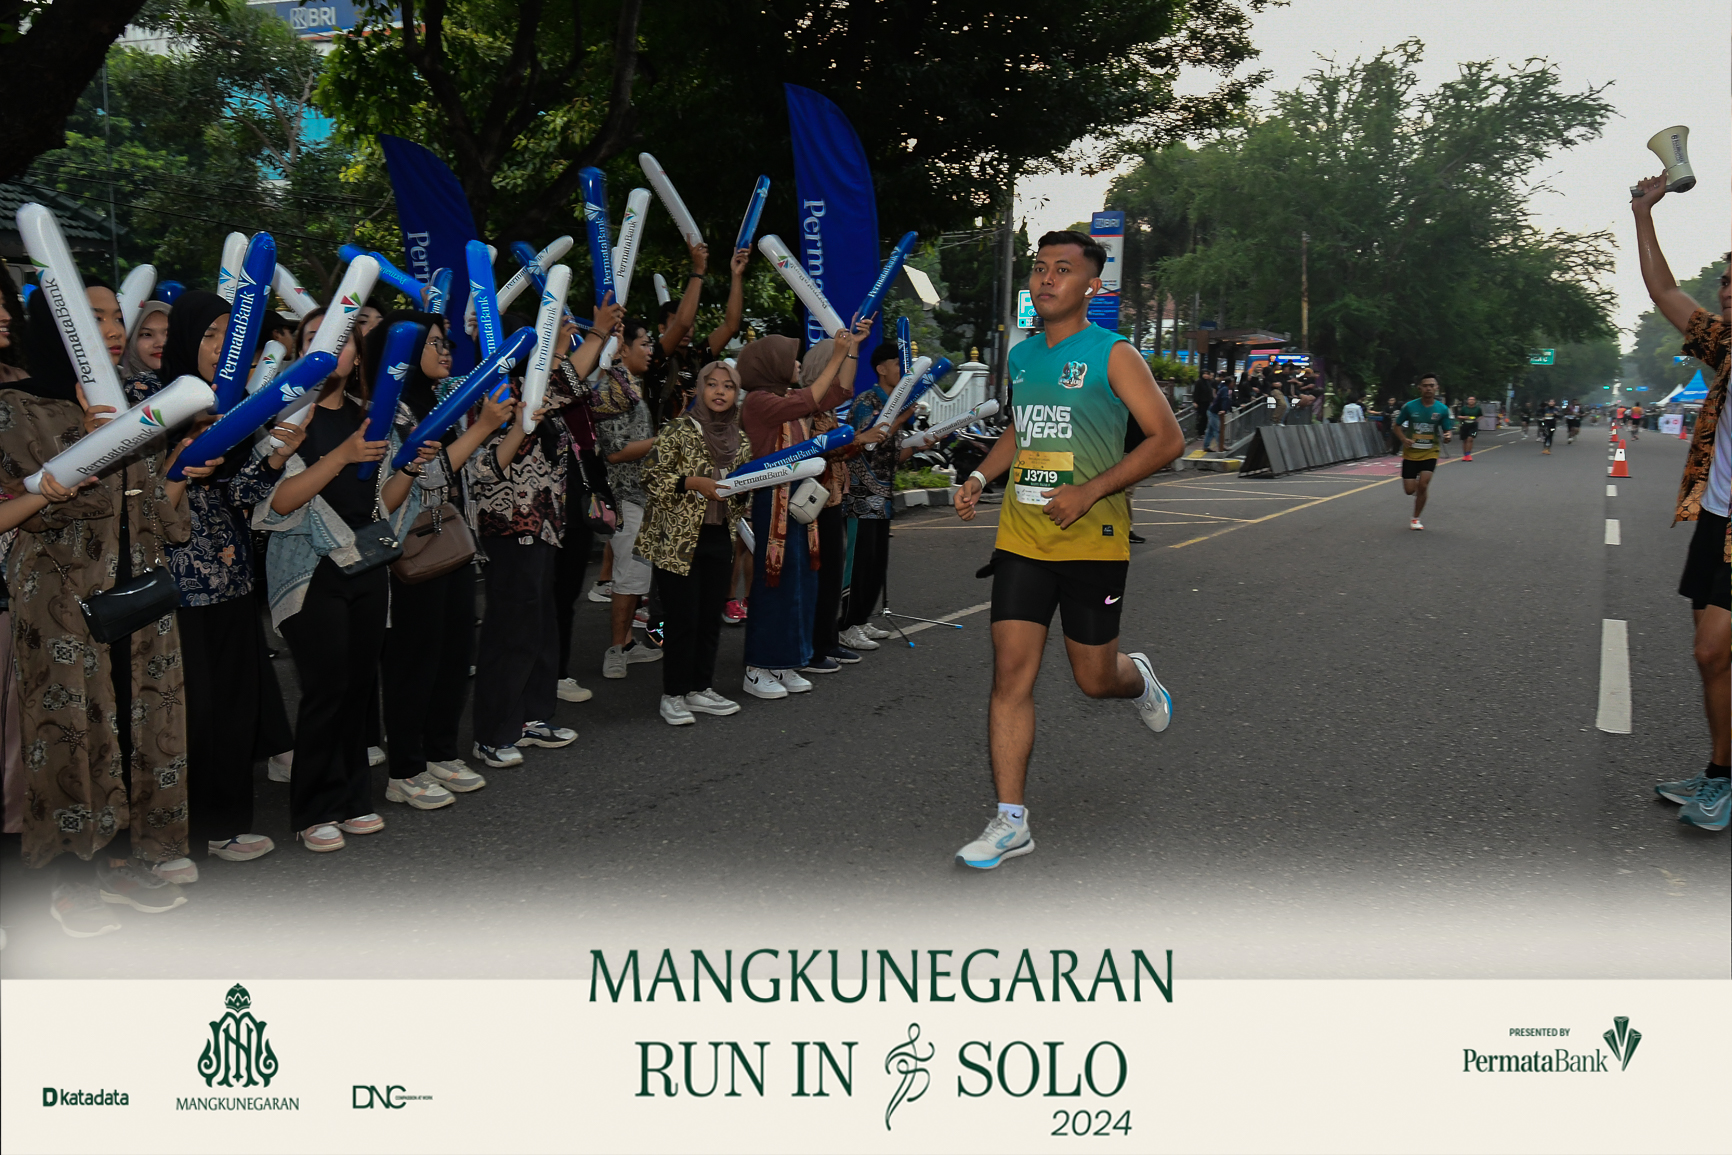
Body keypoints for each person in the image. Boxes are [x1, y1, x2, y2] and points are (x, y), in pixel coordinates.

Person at [949, 230, 1184, 869]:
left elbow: (1167, 440)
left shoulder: (1115, 355)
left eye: (1062, 269)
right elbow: (1022, 429)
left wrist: (1089, 492)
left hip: (1092, 544)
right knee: (1010, 674)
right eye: (1040, 268)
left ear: (1091, 286)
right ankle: (1011, 821)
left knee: (1093, 679)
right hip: (1022, 539)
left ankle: (1136, 680)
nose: (1046, 279)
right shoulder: (1024, 355)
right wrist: (980, 477)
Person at [1, 282, 200, 930]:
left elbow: (164, 519)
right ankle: (67, 879)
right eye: (93, 318)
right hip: (61, 603)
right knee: (69, 731)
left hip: (135, 597)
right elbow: (37, 507)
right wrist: (87, 441)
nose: (112, 330)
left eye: (117, 317)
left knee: (135, 723)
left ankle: (120, 859)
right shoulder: (16, 407)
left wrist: (179, 471)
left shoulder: (132, 406)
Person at [129, 291, 299, 871]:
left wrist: (273, 458)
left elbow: (239, 495)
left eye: (231, 334)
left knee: (233, 708)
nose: (223, 345)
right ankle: (169, 838)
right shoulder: (147, 398)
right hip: (171, 585)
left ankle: (224, 825)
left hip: (231, 577)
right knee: (183, 715)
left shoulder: (236, 404)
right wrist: (178, 457)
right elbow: (135, 497)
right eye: (209, 334)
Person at [258, 310, 434, 852]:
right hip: (309, 571)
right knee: (326, 688)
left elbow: (381, 504)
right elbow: (278, 502)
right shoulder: (285, 415)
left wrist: (409, 467)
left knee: (359, 687)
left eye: (343, 341)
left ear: (358, 355)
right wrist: (342, 455)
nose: (331, 348)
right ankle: (314, 809)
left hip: (366, 563)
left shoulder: (370, 415)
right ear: (301, 350)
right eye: (317, 338)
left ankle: (355, 798)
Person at [364, 311, 514, 798]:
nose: (445, 351)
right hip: (410, 547)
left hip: (452, 542)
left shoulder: (443, 401)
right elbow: (422, 475)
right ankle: (406, 770)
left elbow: (476, 470)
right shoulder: (387, 410)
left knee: (454, 653)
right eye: (434, 343)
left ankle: (441, 752)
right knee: (414, 660)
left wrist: (510, 427)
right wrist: (482, 428)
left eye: (446, 342)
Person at [1632, 174, 1728, 831]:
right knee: (1713, 655)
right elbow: (1664, 291)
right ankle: (1720, 770)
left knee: (1711, 653)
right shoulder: (1725, 346)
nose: (1727, 291)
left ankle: (1723, 778)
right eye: (1725, 282)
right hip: (1714, 518)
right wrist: (1644, 213)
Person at [466, 313, 582, 767]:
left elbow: (572, 386)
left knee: (540, 627)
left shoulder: (535, 388)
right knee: (509, 631)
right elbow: (482, 468)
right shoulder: (490, 393)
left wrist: (563, 348)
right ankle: (494, 732)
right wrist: (517, 423)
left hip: (544, 526)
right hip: (509, 526)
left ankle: (532, 716)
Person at [737, 331, 857, 698]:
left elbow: (839, 392)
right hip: (771, 502)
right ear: (771, 364)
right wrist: (836, 354)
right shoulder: (758, 402)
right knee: (774, 583)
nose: (797, 364)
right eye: (790, 358)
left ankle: (786, 660)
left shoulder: (785, 399)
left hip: (798, 501)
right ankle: (758, 666)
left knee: (801, 582)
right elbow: (812, 397)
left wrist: (851, 349)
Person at [640, 360, 754, 724]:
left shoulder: (741, 439)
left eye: (728, 386)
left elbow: (742, 491)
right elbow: (650, 477)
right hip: (678, 541)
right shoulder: (678, 429)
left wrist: (740, 491)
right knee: (682, 619)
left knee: (708, 619)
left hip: (720, 537)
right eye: (713, 384)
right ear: (701, 389)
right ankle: (673, 694)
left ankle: (700, 688)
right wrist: (691, 483)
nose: (720, 392)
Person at [803, 334, 885, 669]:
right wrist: (860, 439)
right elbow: (818, 449)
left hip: (833, 498)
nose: (840, 377)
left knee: (832, 577)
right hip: (813, 504)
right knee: (820, 577)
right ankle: (814, 646)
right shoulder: (806, 408)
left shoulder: (826, 408)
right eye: (834, 366)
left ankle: (827, 641)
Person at [593, 316, 664, 680]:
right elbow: (616, 452)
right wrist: (664, 441)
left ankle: (628, 643)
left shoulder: (628, 386)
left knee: (637, 577)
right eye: (645, 343)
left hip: (641, 496)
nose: (651, 350)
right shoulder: (611, 390)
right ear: (622, 348)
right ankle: (615, 650)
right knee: (628, 578)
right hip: (625, 498)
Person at [838, 339, 917, 655]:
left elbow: (890, 457)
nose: (904, 371)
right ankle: (845, 625)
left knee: (875, 564)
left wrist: (921, 445)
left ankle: (862, 618)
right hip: (859, 498)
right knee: (857, 564)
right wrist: (901, 418)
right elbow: (864, 444)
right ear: (881, 368)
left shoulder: (893, 403)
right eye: (899, 364)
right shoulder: (867, 401)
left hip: (882, 499)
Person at [645, 243, 749, 421]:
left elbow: (731, 326)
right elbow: (683, 323)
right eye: (674, 322)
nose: (688, 329)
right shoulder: (655, 358)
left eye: (693, 324)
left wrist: (736, 275)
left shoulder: (697, 357)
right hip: (667, 438)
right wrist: (698, 270)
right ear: (661, 328)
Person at [1393, 373, 1452, 530]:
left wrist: (1448, 436)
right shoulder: (1410, 407)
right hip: (1411, 452)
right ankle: (1417, 489)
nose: (1428, 388)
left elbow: (1447, 430)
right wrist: (1404, 439)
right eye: (1425, 386)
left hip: (1430, 451)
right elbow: (1396, 426)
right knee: (1409, 490)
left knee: (1424, 485)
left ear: (1437, 388)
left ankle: (1415, 518)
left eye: (1431, 386)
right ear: (1419, 388)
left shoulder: (1442, 409)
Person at [118, 299, 170, 381]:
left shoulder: (191, 385)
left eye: (168, 334)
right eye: (147, 334)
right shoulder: (110, 386)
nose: (161, 344)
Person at [1205, 372, 1232, 453]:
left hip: (1213, 410)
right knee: (1217, 429)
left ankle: (1206, 446)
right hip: (1214, 411)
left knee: (1210, 430)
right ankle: (1221, 445)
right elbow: (1224, 399)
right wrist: (1224, 409)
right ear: (1230, 383)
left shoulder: (1222, 387)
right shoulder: (1225, 389)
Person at [1454, 395, 1482, 461]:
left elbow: (1481, 416)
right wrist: (1464, 417)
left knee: (1470, 439)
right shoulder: (1464, 408)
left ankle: (1468, 454)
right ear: (1467, 401)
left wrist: (1477, 419)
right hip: (1465, 425)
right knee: (1465, 440)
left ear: (1475, 401)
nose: (1471, 401)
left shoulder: (1478, 408)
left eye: (1473, 400)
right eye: (1470, 400)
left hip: (1473, 426)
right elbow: (1458, 416)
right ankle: (1465, 455)